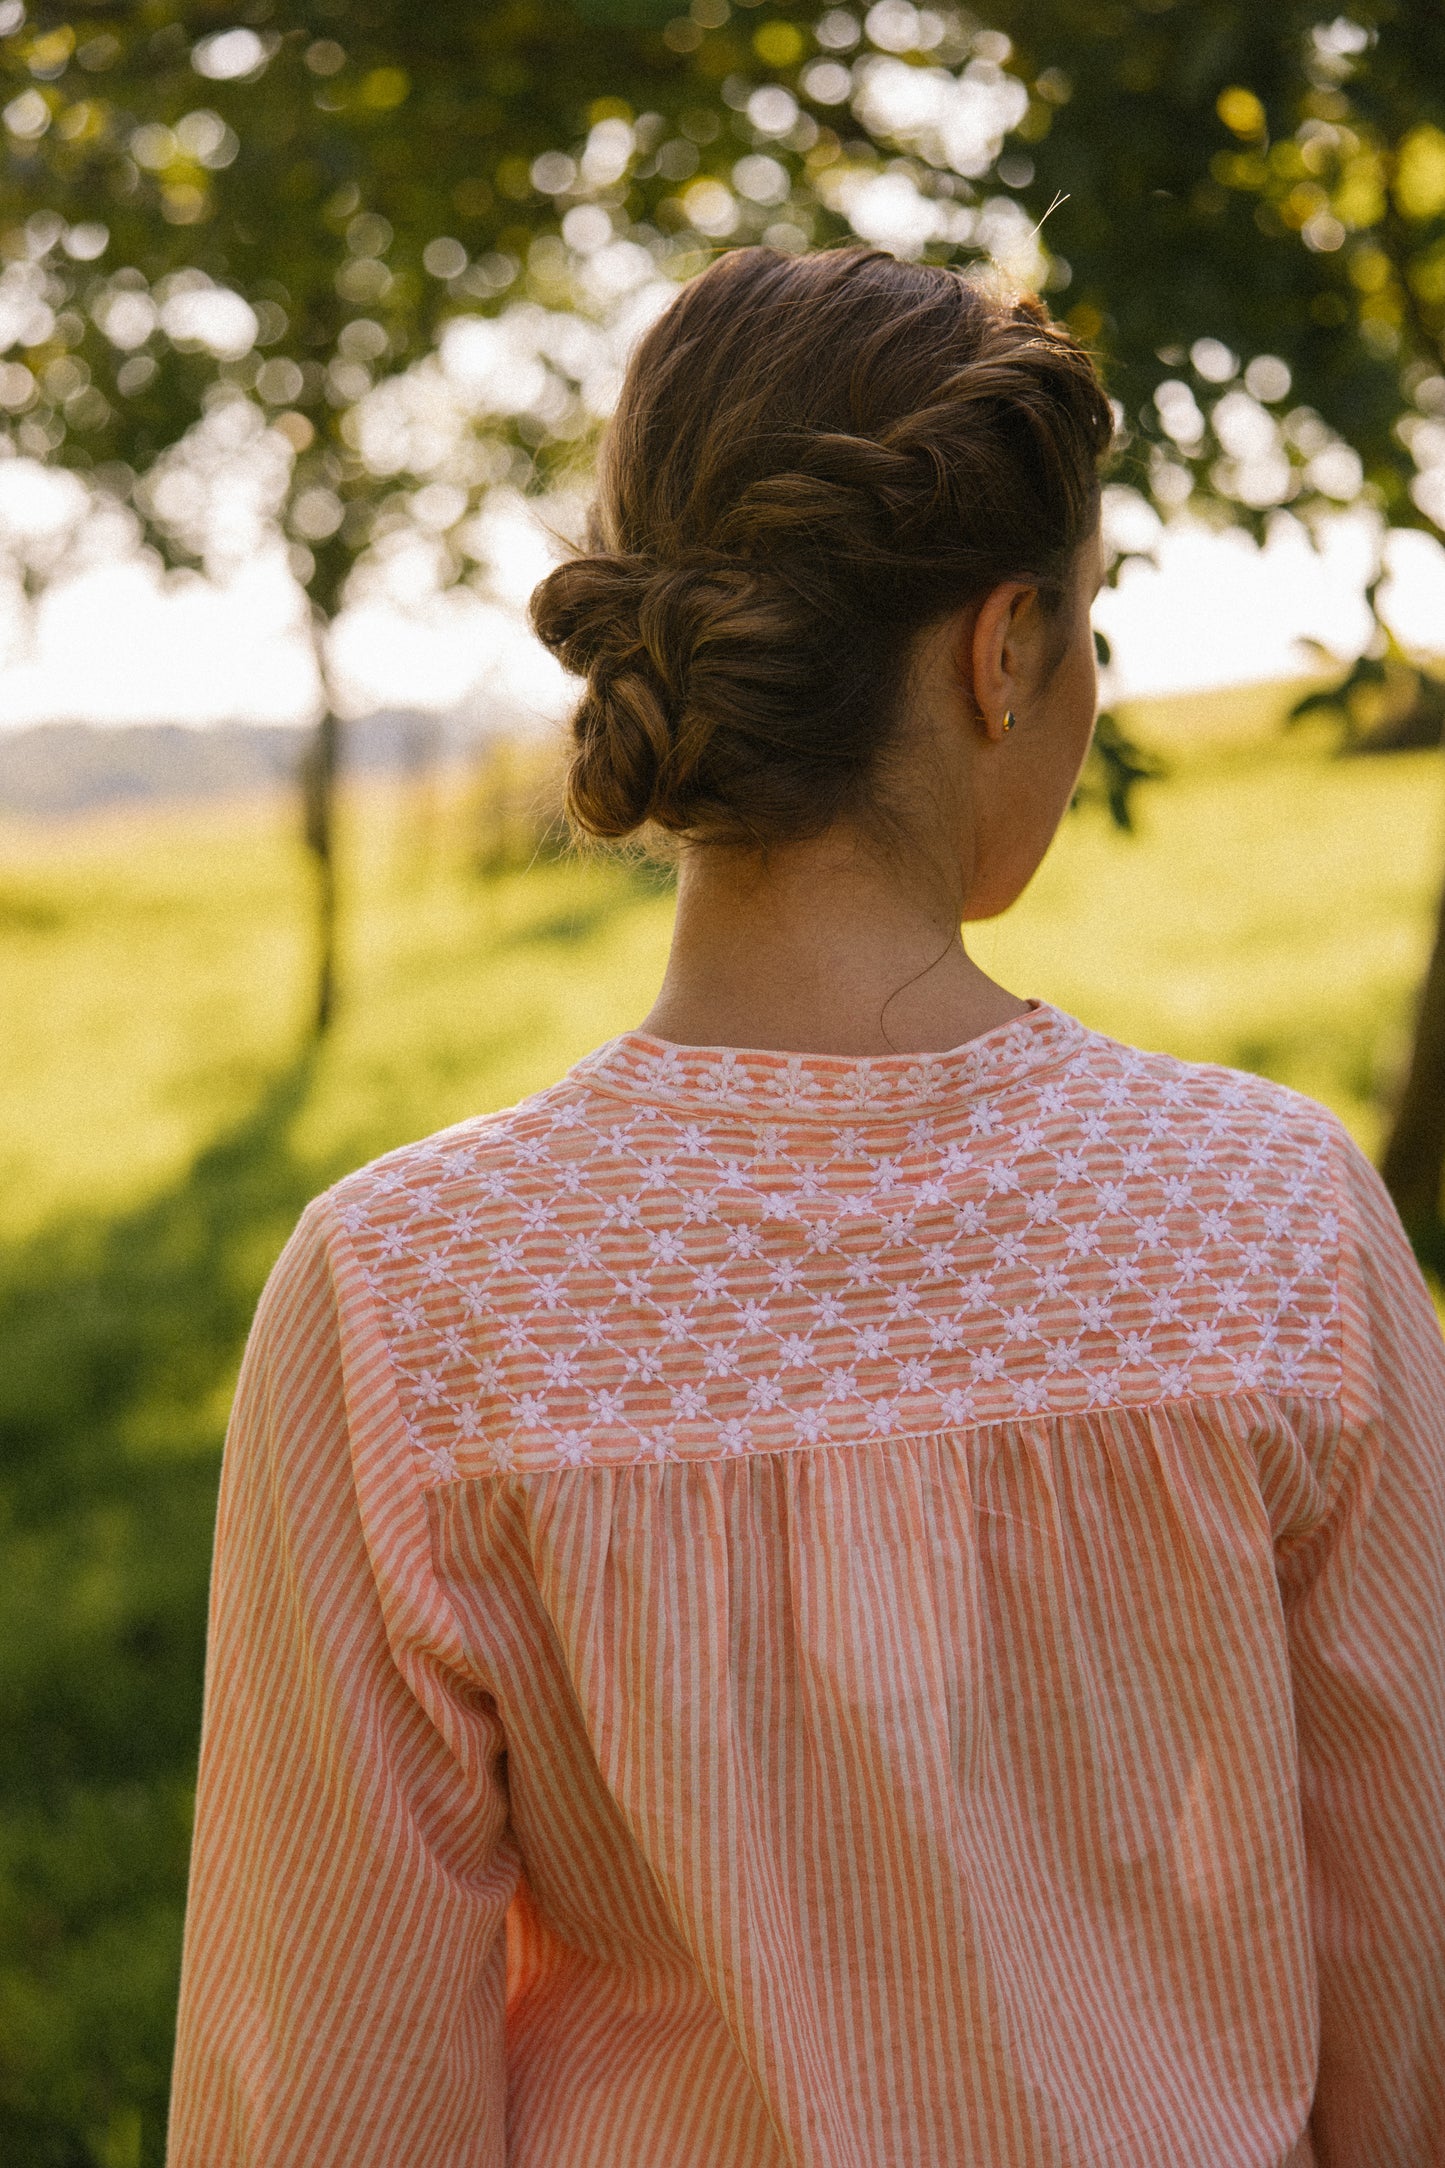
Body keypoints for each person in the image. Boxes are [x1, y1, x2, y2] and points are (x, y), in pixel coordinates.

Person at [167, 247, 1445, 2168]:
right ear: (999, 649)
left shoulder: (405, 1302)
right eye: (1085, 628)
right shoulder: (1274, 1228)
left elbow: (326, 2092)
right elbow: (1408, 1984)